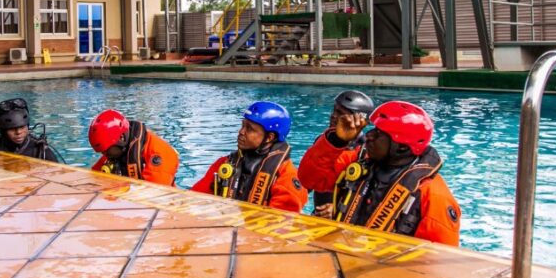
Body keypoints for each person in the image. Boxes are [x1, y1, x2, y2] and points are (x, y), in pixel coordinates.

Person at [331, 101, 461, 246]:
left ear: (402, 148)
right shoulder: (359, 162)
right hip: (342, 251)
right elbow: (314, 177)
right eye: (373, 129)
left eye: (379, 133)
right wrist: (337, 141)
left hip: (382, 260)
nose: (368, 135)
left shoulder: (433, 195)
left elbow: (441, 256)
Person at [191, 102, 307, 213]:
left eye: (250, 129)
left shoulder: (286, 176)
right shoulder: (224, 164)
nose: (241, 132)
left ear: (269, 137)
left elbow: (283, 222)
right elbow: (192, 200)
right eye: (242, 125)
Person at [298, 90, 374, 216]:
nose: (333, 116)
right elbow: (307, 183)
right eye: (334, 111)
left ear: (359, 119)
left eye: (340, 113)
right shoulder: (325, 140)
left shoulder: (365, 151)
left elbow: (367, 194)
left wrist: (339, 208)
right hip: (318, 215)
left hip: (343, 217)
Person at [88, 110, 179, 185]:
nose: (105, 155)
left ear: (121, 138)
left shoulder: (160, 155)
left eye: (106, 151)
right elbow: (93, 177)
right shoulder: (115, 151)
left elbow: (154, 195)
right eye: (102, 152)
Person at [0, 98, 62, 162]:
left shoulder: (41, 151)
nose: (18, 132)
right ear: (3, 131)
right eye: (12, 129)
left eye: (22, 127)